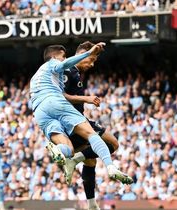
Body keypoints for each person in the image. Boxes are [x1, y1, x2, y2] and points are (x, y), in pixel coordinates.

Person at [30, 42, 131, 184]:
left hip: (39, 112)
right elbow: (62, 66)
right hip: (54, 102)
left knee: (68, 150)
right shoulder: (53, 64)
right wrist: (89, 52)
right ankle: (111, 166)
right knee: (92, 135)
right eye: (63, 56)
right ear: (54, 56)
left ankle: (58, 150)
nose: (64, 59)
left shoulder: (37, 75)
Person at [59, 41, 128, 210]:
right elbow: (60, 95)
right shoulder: (68, 71)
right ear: (82, 54)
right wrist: (86, 99)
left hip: (76, 119)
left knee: (90, 160)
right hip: (71, 121)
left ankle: (91, 204)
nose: (92, 64)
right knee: (112, 144)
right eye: (91, 59)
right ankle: (74, 160)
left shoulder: (75, 72)